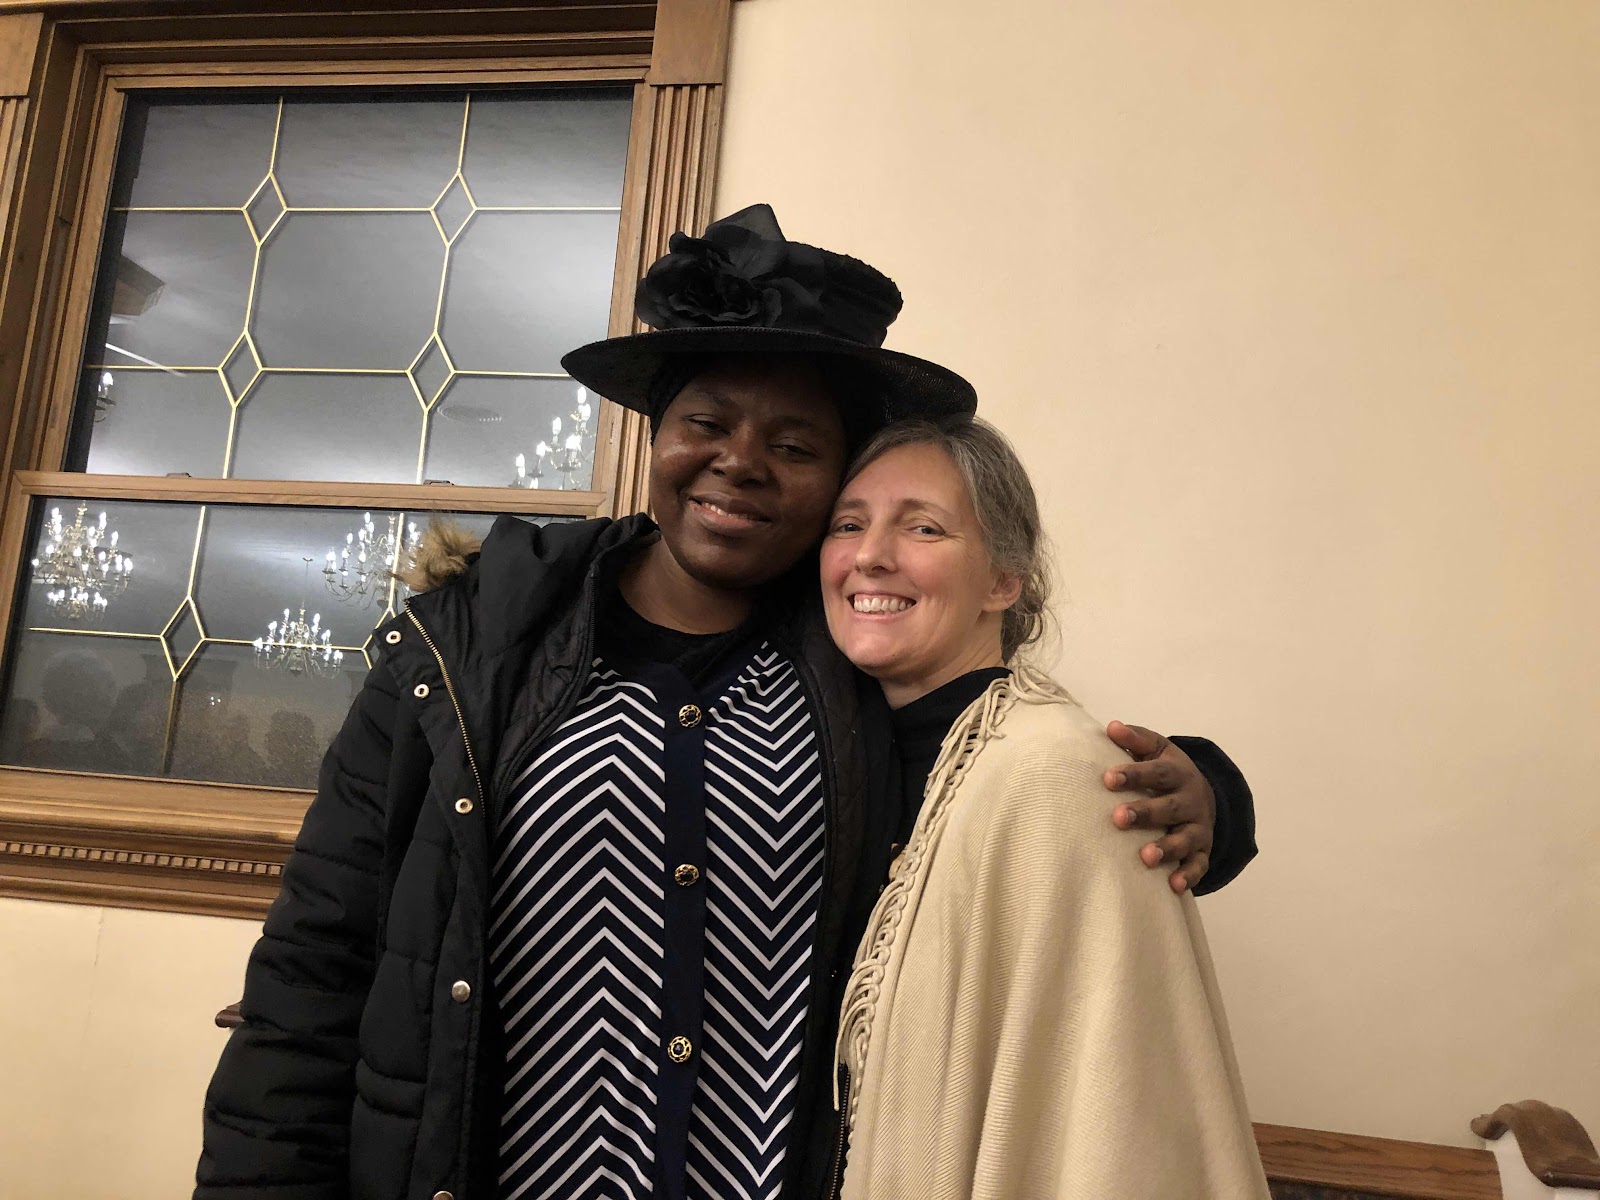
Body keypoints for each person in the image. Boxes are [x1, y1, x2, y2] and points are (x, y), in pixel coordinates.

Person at [195, 205, 1256, 1200]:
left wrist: (1207, 789)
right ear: (657, 436)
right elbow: (317, 965)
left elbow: (1012, 778)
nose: (739, 462)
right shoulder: (473, 651)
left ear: (833, 485)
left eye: (794, 447)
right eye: (706, 421)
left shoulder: (854, 666)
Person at [823, 417, 1269, 1199]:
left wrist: (1215, 794)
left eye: (922, 527)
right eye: (848, 524)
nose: (870, 555)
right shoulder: (825, 747)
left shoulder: (1058, 775)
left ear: (1005, 580)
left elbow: (1108, 1120)